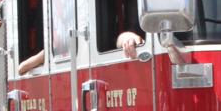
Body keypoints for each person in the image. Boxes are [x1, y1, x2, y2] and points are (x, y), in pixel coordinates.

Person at [16, 31, 144, 76]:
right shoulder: (55, 49)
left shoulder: (100, 36)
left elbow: (120, 38)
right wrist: (45, 55)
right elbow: (21, 69)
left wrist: (130, 39)